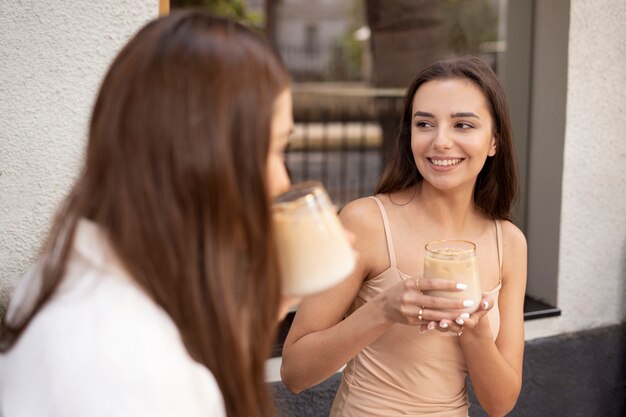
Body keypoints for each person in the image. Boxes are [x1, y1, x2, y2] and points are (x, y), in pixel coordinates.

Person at [0, 10, 294, 417]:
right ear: (202, 157)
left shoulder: (76, 282)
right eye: (275, 150)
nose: (283, 181)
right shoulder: (120, 364)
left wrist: (266, 309)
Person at [281, 56, 527, 417]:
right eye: (424, 123)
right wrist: (382, 310)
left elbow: (500, 403)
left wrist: (475, 333)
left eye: (462, 124)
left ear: (493, 142)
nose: (440, 141)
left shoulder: (509, 243)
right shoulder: (365, 222)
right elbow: (295, 373)